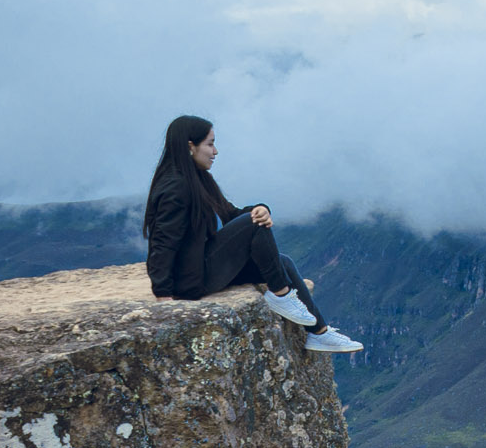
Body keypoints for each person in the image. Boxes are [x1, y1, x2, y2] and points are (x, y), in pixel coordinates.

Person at [142, 115, 363, 354]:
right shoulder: (175, 187)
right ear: (190, 146)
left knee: (283, 262)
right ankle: (281, 295)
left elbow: (230, 214)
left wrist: (261, 209)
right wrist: (163, 295)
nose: (215, 151)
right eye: (210, 144)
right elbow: (162, 243)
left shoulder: (198, 179)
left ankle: (319, 333)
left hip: (198, 268)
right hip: (189, 281)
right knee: (253, 224)